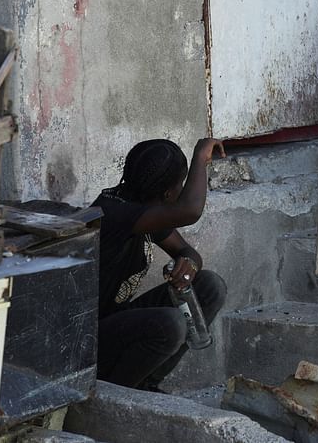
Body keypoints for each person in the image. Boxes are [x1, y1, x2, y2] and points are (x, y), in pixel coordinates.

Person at [93, 137, 227, 390]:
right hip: (90, 339)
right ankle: (116, 393)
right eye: (181, 185)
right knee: (170, 324)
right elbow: (190, 210)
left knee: (210, 286)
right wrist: (200, 157)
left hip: (117, 321)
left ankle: (146, 384)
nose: (181, 191)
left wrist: (188, 263)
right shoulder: (116, 212)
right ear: (168, 194)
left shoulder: (142, 205)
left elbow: (187, 251)